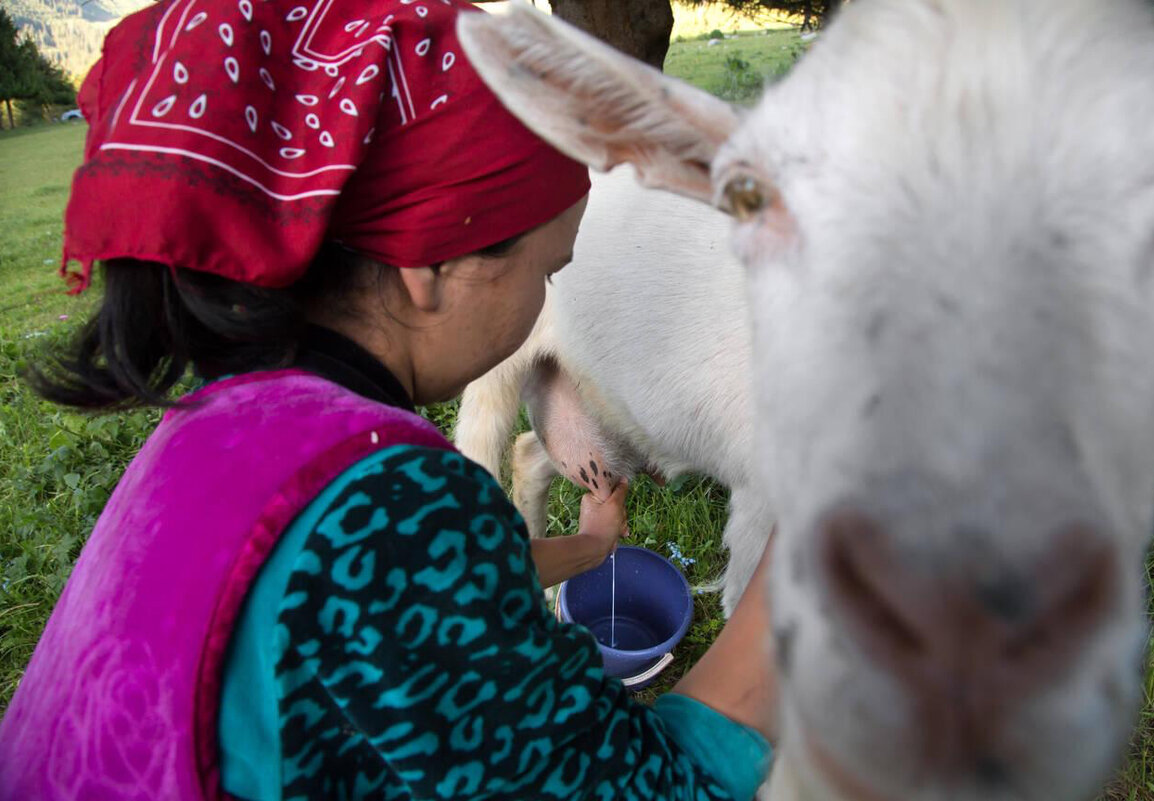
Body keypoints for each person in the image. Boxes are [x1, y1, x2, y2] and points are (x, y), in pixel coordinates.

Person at [0, 1, 777, 799]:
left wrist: (588, 548)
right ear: (430, 267)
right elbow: (645, 788)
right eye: (546, 269)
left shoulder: (225, 419)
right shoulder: (396, 508)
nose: (546, 293)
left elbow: (415, 600)